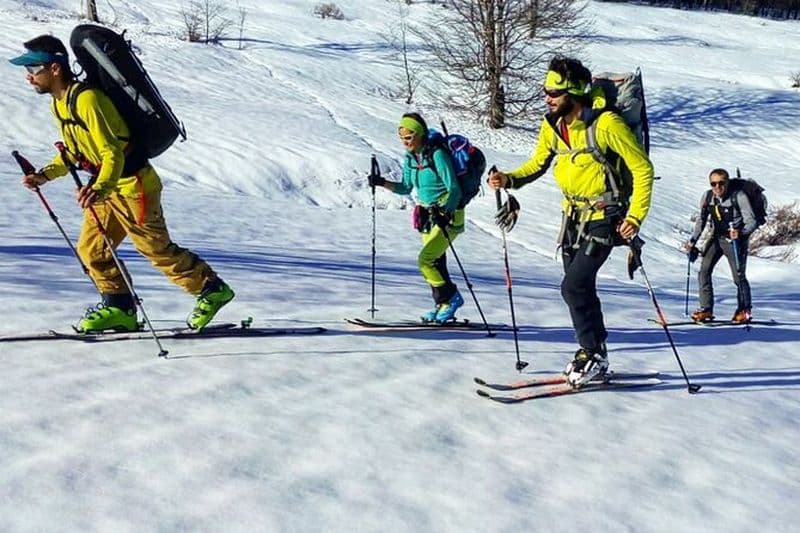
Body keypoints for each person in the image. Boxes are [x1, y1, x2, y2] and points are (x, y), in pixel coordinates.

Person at [10, 35, 234, 332]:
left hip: (134, 185)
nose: (29, 76)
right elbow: (75, 153)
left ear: (54, 69)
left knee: (155, 249)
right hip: (106, 187)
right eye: (27, 70)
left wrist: (99, 188)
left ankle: (211, 289)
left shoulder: (87, 99)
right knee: (93, 250)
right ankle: (121, 309)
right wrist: (45, 174)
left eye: (34, 68)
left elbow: (111, 152)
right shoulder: (59, 105)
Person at [487, 56, 654, 386]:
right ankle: (596, 351)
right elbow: (536, 165)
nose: (547, 97)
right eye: (545, 91)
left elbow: (643, 168)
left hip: (607, 215)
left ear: (574, 92)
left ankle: (591, 352)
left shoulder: (607, 125)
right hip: (572, 218)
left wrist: (635, 217)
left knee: (573, 285)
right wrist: (508, 178)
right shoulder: (551, 126)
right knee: (579, 288)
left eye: (554, 92)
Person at [369, 112, 465, 323]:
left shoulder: (438, 155)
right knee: (436, 263)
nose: (405, 141)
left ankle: (451, 299)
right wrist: (381, 182)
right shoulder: (410, 159)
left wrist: (445, 210)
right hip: (426, 217)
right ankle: (442, 304)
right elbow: (405, 188)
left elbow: (455, 189)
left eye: (409, 136)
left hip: (447, 216)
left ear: (420, 134)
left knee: (425, 260)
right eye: (402, 137)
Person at [683, 168, 756, 324]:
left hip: (736, 242)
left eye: (721, 183)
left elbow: (752, 221)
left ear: (727, 182)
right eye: (713, 183)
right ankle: (706, 309)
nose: (717, 187)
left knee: (739, 276)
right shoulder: (708, 196)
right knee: (704, 271)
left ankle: (744, 309)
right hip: (716, 238)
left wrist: (741, 233)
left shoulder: (739, 197)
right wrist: (692, 240)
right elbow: (701, 220)